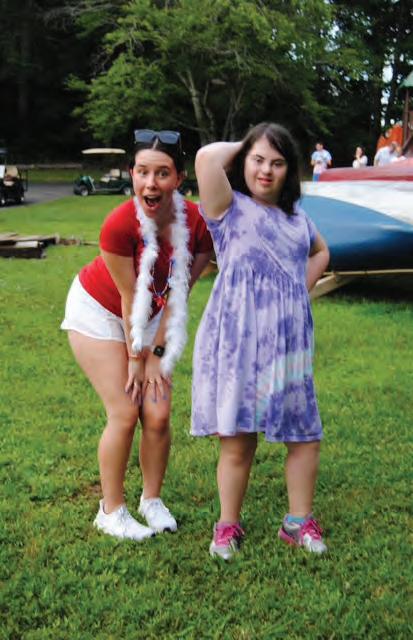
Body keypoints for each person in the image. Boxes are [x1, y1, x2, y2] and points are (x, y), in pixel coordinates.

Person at [61, 129, 213, 540]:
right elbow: (130, 298)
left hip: (153, 315)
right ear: (131, 173)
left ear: (179, 178)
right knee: (126, 410)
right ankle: (110, 511)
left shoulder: (197, 224)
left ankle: (151, 500)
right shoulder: (118, 225)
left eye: (162, 173)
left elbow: (178, 296)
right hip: (99, 311)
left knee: (158, 414)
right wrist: (135, 359)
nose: (151, 183)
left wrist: (156, 353)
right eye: (142, 171)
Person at [191, 122, 330, 560]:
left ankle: (297, 522)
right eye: (258, 160)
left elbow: (321, 252)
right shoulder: (228, 208)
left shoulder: (297, 218)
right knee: (238, 438)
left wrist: (298, 290)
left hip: (289, 342)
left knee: (304, 434)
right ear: (244, 162)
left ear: (290, 170)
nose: (266, 170)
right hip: (240, 340)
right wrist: (249, 141)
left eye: (278, 162)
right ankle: (227, 526)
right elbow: (206, 158)